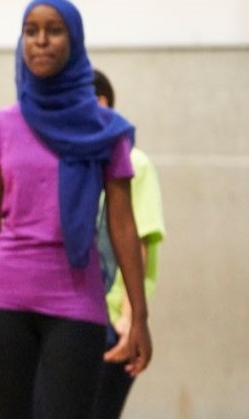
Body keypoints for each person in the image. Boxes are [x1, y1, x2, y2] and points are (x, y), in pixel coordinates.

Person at [0, 0, 152, 419]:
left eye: (54, 30)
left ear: (74, 41)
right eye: (31, 31)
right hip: (5, 300)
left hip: (77, 302)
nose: (40, 41)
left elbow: (122, 226)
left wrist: (139, 317)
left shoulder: (106, 130)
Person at [89, 69, 166, 419]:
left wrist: (130, 317)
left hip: (112, 316)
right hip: (74, 309)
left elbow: (138, 239)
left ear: (100, 103)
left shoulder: (134, 163)